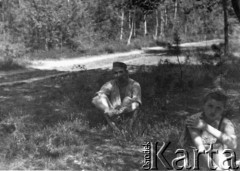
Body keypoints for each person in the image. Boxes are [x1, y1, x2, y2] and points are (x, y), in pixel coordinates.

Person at [179, 88, 237, 170]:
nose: (213, 111)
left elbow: (233, 145)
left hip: (214, 154)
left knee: (219, 152)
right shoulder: (194, 120)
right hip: (192, 154)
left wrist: (205, 126)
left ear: (223, 109)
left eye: (218, 108)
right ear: (204, 105)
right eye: (210, 106)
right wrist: (216, 169)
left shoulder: (225, 123)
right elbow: (200, 148)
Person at [92, 62, 141, 131]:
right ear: (113, 75)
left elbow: (137, 103)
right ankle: (114, 126)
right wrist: (107, 110)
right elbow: (97, 97)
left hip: (128, 112)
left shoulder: (134, 85)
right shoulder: (110, 84)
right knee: (99, 98)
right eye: (115, 73)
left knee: (127, 99)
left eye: (121, 72)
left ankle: (127, 127)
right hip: (113, 113)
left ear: (126, 72)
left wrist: (123, 110)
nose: (119, 75)